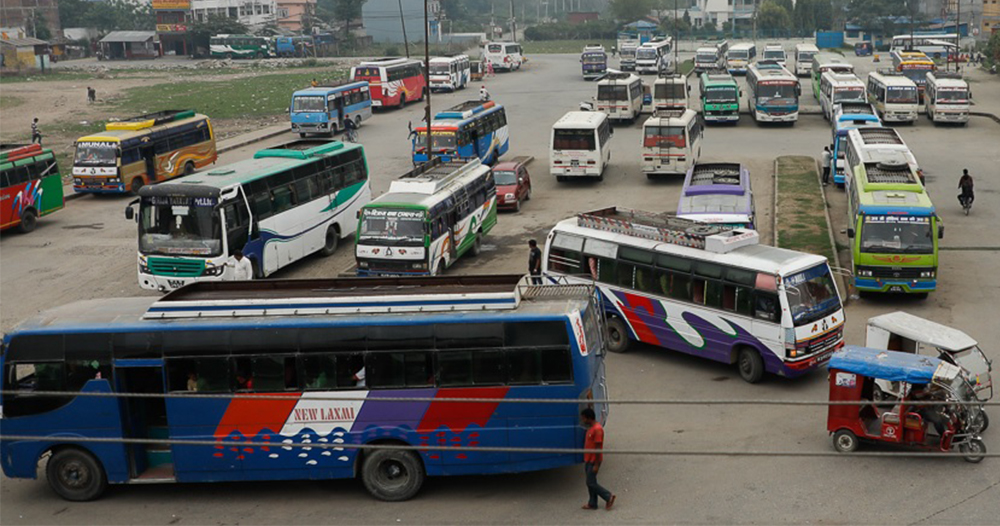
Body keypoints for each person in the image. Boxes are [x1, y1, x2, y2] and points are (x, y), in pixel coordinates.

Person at [580, 408, 616, 511]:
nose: (583, 420)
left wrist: (596, 464)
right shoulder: (591, 428)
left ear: (589, 418)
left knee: (590, 483)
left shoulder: (597, 430)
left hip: (593, 460)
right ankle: (592, 503)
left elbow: (598, 448)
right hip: (588, 459)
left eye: (584, 418)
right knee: (591, 481)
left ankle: (608, 496)